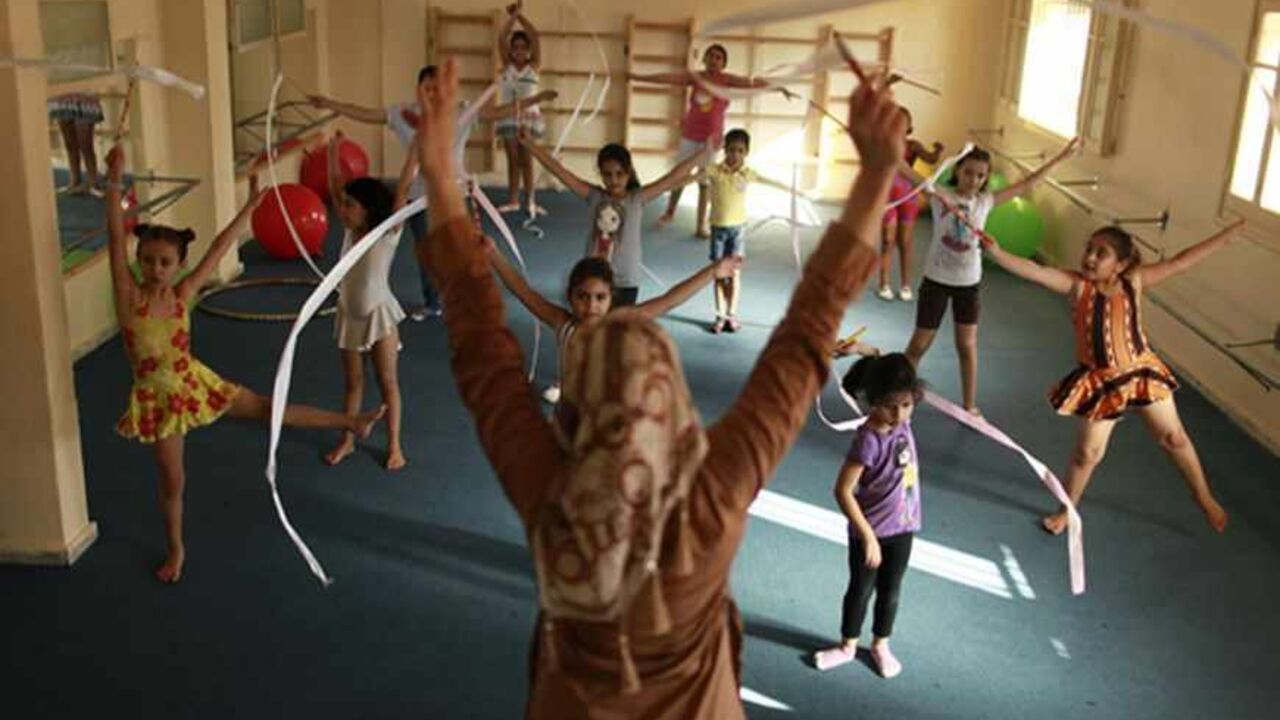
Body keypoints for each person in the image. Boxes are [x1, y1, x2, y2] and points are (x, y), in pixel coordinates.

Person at [411, 56, 902, 718]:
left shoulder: (554, 494)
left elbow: (483, 354)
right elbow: (804, 342)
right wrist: (876, 175)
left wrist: (439, 169)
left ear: (576, 417)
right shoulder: (709, 496)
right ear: (673, 408)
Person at [104, 144, 384, 583]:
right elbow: (113, 236)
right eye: (148, 262)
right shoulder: (129, 299)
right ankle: (176, 550)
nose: (155, 269)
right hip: (159, 402)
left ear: (179, 267)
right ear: (138, 263)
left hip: (193, 382)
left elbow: (220, 247)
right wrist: (114, 181)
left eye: (164, 263)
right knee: (172, 481)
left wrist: (250, 207)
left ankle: (351, 421)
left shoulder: (181, 295)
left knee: (268, 408)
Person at [982, 222, 1241, 535]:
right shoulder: (1077, 285)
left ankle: (1203, 495)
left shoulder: (1134, 281)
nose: (1089, 257)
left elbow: (1181, 260)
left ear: (1120, 264)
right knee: (1087, 454)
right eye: (1088, 249)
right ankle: (1067, 511)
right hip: (1102, 382)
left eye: (1100, 253)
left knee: (1174, 438)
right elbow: (1034, 270)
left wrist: (1224, 239)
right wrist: (998, 254)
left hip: (1141, 371)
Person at [307, 67, 555, 320]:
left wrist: (536, 99)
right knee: (428, 251)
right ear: (419, 90)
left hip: (455, 195)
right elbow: (366, 113)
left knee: (463, 249)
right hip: (418, 197)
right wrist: (329, 104)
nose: (433, 93)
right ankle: (434, 301)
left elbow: (497, 113)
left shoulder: (462, 111)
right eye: (428, 88)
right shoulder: (404, 114)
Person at [898, 139, 1078, 414]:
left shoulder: (986, 201)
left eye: (980, 175)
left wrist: (1062, 157)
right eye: (969, 172)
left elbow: (1028, 183)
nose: (973, 180)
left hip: (968, 285)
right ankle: (899, 395)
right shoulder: (940, 195)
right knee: (919, 344)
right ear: (958, 171)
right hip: (936, 280)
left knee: (966, 345)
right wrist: (883, 147)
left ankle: (969, 405)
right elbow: (908, 173)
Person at [488, 246, 741, 403]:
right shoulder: (562, 324)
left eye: (600, 298)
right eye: (582, 297)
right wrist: (493, 253)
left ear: (611, 298)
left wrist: (712, 273)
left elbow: (667, 301)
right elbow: (524, 292)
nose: (591, 306)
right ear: (570, 297)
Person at [813, 353, 925, 679]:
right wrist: (868, 536)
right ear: (874, 401)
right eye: (891, 405)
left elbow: (886, 364)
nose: (900, 413)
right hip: (871, 533)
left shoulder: (902, 422)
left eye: (906, 404)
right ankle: (848, 644)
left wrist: (863, 348)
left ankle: (880, 644)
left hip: (903, 527)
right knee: (861, 590)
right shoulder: (868, 440)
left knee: (891, 591)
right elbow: (843, 491)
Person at [324, 131, 421, 470]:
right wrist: (333, 151)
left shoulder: (387, 234)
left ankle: (394, 445)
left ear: (368, 210)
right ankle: (348, 440)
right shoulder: (351, 233)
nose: (343, 210)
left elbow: (404, 190)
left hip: (380, 316)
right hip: (350, 316)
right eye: (345, 205)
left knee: (387, 382)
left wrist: (415, 150)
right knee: (353, 383)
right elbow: (336, 186)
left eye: (350, 206)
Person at [519, 136, 703, 307]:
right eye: (607, 174)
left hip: (626, 282)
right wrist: (530, 145)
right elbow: (559, 171)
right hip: (593, 279)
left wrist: (703, 153)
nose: (613, 180)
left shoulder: (637, 198)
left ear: (629, 172)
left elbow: (672, 177)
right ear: (600, 174)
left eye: (619, 173)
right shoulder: (594, 196)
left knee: (617, 332)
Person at [628, 44, 773, 237]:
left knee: (704, 180)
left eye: (719, 57)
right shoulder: (695, 77)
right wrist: (638, 77)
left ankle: (700, 225)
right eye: (711, 56)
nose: (714, 60)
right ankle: (670, 212)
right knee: (679, 175)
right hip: (690, 135)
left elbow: (752, 83)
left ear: (723, 63)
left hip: (710, 141)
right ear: (704, 59)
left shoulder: (726, 79)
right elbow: (668, 78)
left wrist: (778, 86)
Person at [699, 127, 798, 333]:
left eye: (740, 151)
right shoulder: (715, 171)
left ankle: (731, 315)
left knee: (734, 274)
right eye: (731, 150)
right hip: (718, 230)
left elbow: (770, 181)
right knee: (718, 274)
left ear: (746, 153)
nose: (735, 155)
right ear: (725, 150)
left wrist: (794, 190)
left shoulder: (748, 174)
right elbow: (693, 176)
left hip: (738, 232)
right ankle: (719, 315)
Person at [878, 108, 943, 301]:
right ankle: (884, 282)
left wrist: (938, 151)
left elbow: (929, 159)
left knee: (905, 242)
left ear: (909, 127)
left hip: (908, 198)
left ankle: (906, 285)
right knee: (887, 241)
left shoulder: (913, 146)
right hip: (888, 198)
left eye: (902, 122)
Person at [496, 1, 546, 215]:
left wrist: (520, 16)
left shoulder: (534, 66)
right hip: (508, 117)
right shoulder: (507, 65)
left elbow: (535, 36)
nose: (518, 51)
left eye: (523, 47)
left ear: (528, 50)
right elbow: (501, 37)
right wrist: (511, 19)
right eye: (515, 47)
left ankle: (530, 200)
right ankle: (514, 199)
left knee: (527, 160)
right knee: (513, 160)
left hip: (529, 118)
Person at [49, 92, 104, 195]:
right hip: (63, 96)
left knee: (85, 143)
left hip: (83, 95)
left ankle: (93, 183)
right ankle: (74, 180)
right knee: (69, 143)